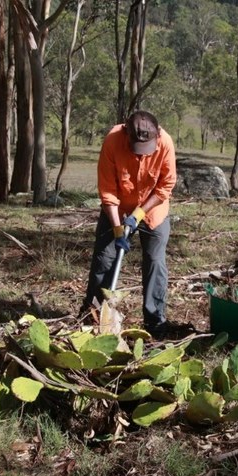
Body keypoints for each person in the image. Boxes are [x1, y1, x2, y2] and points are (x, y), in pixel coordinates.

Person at [81, 111, 177, 338]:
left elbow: (165, 186)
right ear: (126, 133)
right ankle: (93, 317)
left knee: (155, 262)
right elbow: (108, 190)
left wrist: (140, 213)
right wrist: (117, 228)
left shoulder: (165, 143)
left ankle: (155, 323)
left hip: (153, 211)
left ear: (157, 133)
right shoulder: (113, 140)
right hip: (117, 209)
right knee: (104, 260)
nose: (142, 155)